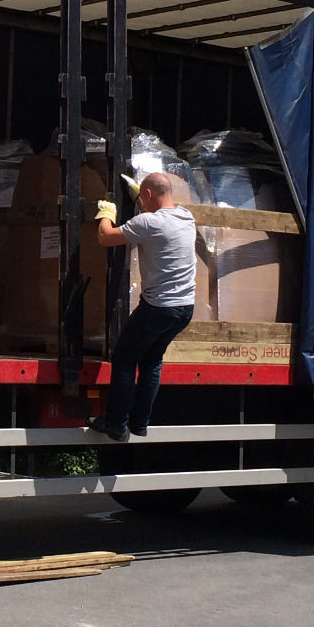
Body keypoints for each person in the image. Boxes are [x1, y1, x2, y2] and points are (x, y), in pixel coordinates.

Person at [87, 171, 198, 441]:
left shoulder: (149, 222)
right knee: (152, 361)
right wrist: (141, 198)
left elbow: (105, 237)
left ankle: (115, 423)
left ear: (147, 194)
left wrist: (106, 213)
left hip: (158, 308)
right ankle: (139, 423)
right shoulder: (186, 217)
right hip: (185, 308)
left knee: (124, 360)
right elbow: (157, 211)